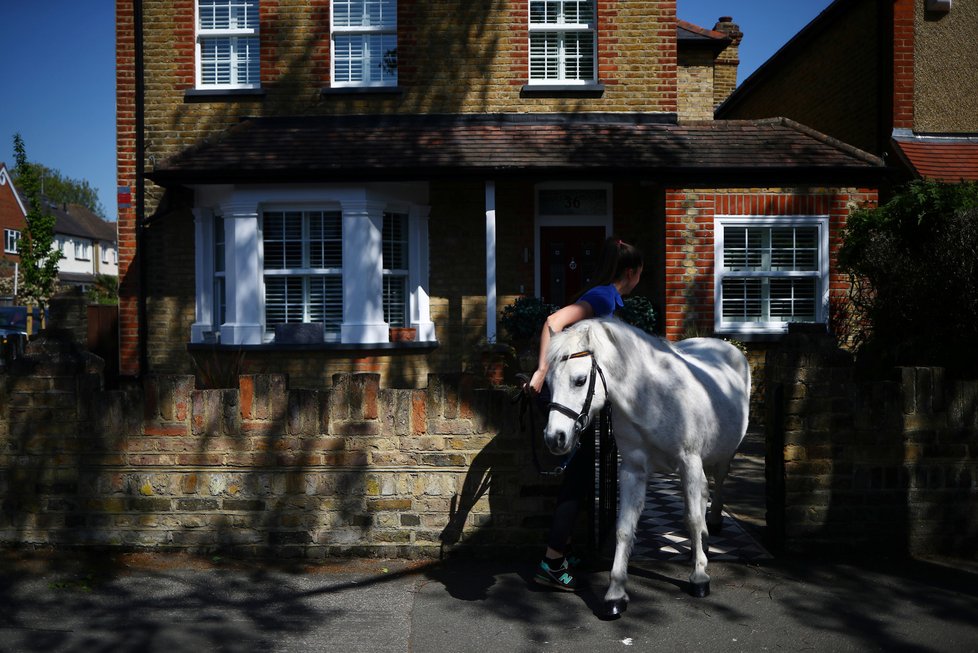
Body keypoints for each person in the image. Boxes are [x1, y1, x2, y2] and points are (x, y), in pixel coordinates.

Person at [525, 237, 644, 591]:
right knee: (576, 482)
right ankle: (551, 561)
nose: (641, 278)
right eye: (641, 273)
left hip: (584, 403)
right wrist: (542, 371)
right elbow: (553, 321)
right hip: (572, 403)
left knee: (583, 480)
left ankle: (568, 551)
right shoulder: (604, 296)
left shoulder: (605, 295)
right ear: (631, 272)